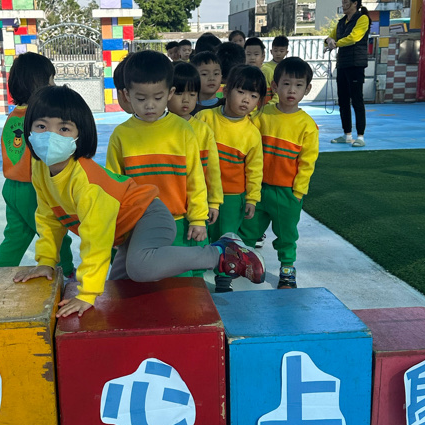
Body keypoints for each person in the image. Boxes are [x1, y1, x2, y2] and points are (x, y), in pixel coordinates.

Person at [13, 85, 265, 316]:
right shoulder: (40, 168)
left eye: (64, 129)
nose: (51, 136)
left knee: (140, 268)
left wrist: (87, 293)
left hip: (149, 216)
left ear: (81, 134)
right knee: (119, 287)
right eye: (41, 127)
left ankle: (220, 252)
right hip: (127, 232)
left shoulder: (85, 182)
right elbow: (48, 217)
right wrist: (46, 262)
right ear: (29, 128)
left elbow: (95, 238)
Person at [106, 51, 209, 260]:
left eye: (158, 97)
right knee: (139, 274)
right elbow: (112, 187)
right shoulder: (121, 135)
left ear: (170, 93)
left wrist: (198, 218)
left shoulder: (183, 130)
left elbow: (195, 178)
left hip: (178, 222)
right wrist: (115, 225)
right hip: (137, 223)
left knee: (179, 275)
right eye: (141, 98)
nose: (150, 105)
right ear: (126, 95)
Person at [240, 57, 319, 289]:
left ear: (307, 89)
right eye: (286, 84)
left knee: (287, 235)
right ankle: (244, 262)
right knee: (248, 229)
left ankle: (287, 269)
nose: (291, 90)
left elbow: (307, 162)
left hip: (287, 193)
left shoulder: (307, 125)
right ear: (274, 86)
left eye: (298, 85)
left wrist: (298, 192)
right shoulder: (261, 115)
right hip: (258, 189)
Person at [0, 51, 73, 274]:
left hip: (11, 187)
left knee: (15, 236)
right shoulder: (40, 118)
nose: (54, 85)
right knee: (54, 232)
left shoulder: (13, 116)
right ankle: (67, 272)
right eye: (51, 80)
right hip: (33, 189)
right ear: (39, 84)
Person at [196, 64, 265, 291]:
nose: (246, 100)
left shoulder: (252, 133)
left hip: (233, 197)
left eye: (253, 96)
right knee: (199, 233)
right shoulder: (204, 118)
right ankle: (194, 275)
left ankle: (224, 279)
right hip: (202, 191)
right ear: (225, 91)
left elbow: (254, 170)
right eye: (241, 92)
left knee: (226, 238)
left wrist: (252, 198)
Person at [168, 61, 223, 227]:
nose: (186, 100)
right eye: (179, 93)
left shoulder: (203, 130)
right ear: (167, 93)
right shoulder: (157, 129)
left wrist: (214, 202)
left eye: (192, 94)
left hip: (198, 204)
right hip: (169, 205)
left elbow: (213, 169)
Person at [325, 0, 370, 147]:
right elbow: (330, 37)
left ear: (355, 3)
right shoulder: (341, 22)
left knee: (357, 100)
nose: (343, 5)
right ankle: (347, 134)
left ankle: (361, 136)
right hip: (342, 65)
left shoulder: (362, 19)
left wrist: (336, 43)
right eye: (342, 2)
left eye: (346, 2)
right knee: (343, 100)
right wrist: (329, 41)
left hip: (356, 65)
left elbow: (354, 38)